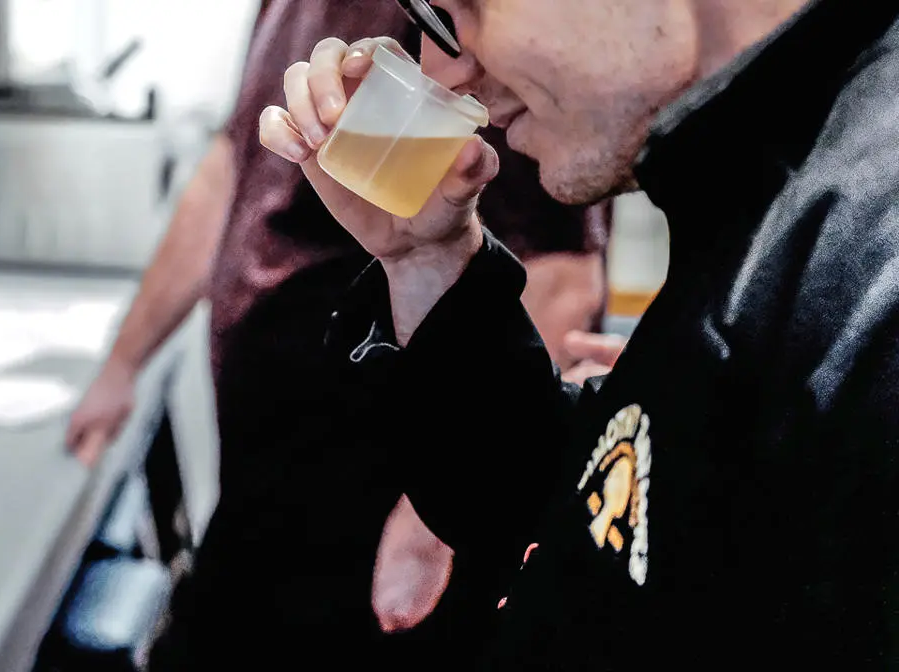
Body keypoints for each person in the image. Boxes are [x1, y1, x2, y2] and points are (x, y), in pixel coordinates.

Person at [257, 0, 899, 666]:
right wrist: (426, 260)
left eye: (461, 11)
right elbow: (584, 527)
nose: (445, 73)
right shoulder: (764, 183)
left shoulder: (871, 265)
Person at [61, 0, 609, 666]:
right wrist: (123, 365)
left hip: (390, 486)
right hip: (269, 472)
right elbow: (228, 172)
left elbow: (562, 275)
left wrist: (430, 522)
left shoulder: (461, 23)